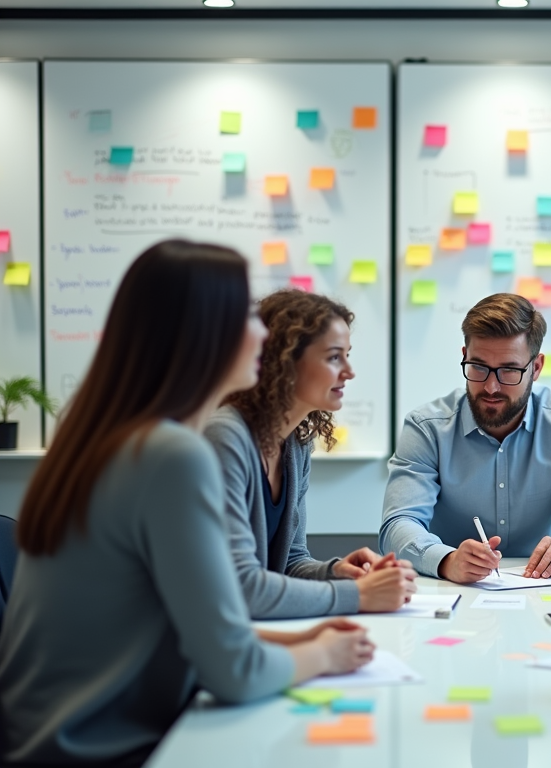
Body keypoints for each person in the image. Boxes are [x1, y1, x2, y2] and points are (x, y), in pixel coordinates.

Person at [0, 241, 375, 767]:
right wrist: (325, 653)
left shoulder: (112, 438)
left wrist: (295, 639)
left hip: (56, 741)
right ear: (205, 332)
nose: (265, 334)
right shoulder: (174, 455)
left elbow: (175, 622)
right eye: (247, 313)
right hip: (105, 751)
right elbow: (235, 672)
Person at [379, 292, 551, 583]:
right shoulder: (427, 427)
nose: (491, 387)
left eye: (509, 370)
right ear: (464, 357)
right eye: (478, 367)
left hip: (544, 586)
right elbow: (399, 523)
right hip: (454, 588)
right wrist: (445, 559)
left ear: (536, 367)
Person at [205, 289, 416, 620]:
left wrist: (338, 572)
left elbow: (289, 562)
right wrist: (357, 594)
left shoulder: (296, 444)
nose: (349, 371)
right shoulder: (225, 437)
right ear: (284, 361)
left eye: (347, 355)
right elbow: (240, 589)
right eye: (334, 357)